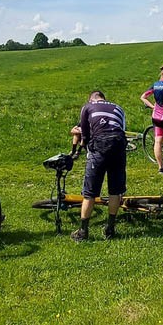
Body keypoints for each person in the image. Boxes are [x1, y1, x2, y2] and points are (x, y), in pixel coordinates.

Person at [71, 90, 128, 242]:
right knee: (115, 191)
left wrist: (83, 147)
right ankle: (110, 228)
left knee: (90, 193)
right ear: (104, 98)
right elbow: (122, 130)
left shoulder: (88, 107)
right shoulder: (118, 107)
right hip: (118, 146)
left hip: (99, 148)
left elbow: (84, 134)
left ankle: (83, 231)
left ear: (91, 99)